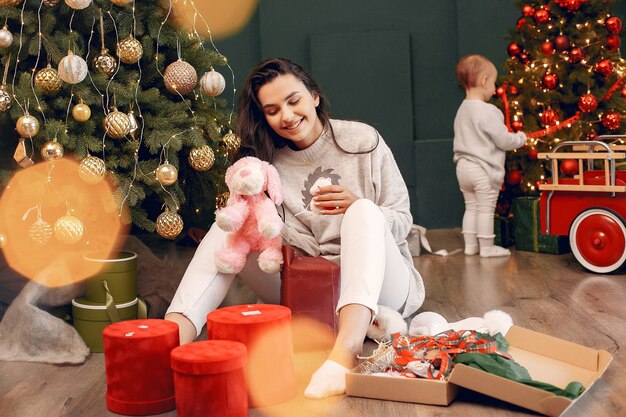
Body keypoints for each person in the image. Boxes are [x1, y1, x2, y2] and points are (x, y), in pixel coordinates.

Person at [165, 57, 424, 399]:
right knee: (230, 227)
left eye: (293, 101)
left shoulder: (363, 140)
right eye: (272, 110)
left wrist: (362, 207)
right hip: (313, 289)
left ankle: (343, 354)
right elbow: (276, 237)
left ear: (314, 96)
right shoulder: (265, 163)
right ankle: (170, 339)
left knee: (362, 210)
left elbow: (403, 220)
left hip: (383, 286)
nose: (286, 116)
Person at [453, 54, 527, 257]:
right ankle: (486, 248)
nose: (495, 89)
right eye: (494, 83)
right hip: (483, 170)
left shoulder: (462, 110)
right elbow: (503, 140)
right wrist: (521, 138)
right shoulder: (488, 111)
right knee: (486, 209)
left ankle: (470, 246)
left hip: (463, 168)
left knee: (471, 207)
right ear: (484, 81)